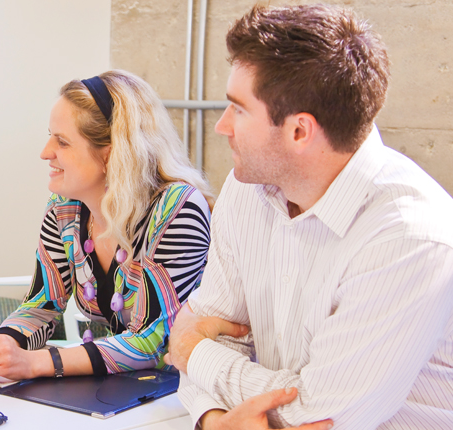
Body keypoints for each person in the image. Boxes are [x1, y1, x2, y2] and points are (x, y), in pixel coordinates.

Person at [163, 4, 453, 430]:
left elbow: (317, 415)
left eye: (238, 109)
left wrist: (193, 351)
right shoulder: (247, 188)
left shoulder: (409, 236)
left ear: (300, 131)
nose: (222, 126)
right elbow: (211, 336)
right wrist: (214, 420)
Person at [0, 70, 213, 379]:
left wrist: (35, 363)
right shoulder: (65, 209)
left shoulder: (177, 209)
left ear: (110, 155)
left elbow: (153, 341)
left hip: (191, 393)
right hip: (127, 388)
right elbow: (41, 305)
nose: (45, 152)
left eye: (62, 141)